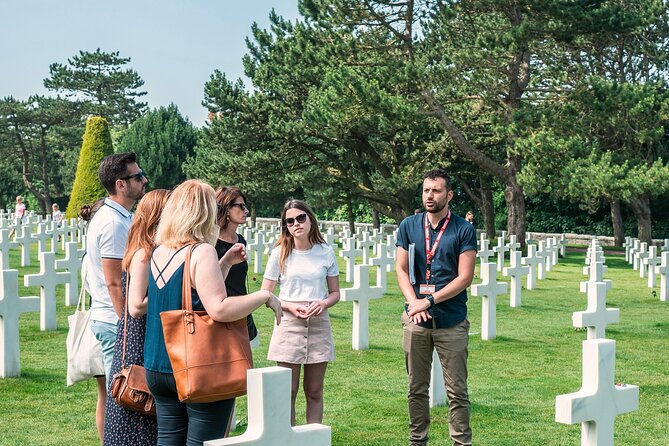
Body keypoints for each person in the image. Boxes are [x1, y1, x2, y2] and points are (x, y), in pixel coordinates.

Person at [129, 179, 281, 445]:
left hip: (159, 364)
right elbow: (219, 308)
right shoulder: (201, 250)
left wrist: (223, 264)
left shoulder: (159, 250)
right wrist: (264, 296)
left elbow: (191, 293)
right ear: (204, 212)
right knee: (202, 442)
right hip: (197, 364)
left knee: (169, 439)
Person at [396, 169, 477, 446]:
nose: (430, 196)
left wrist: (427, 301)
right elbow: (401, 268)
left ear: (449, 195)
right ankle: (417, 441)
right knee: (416, 389)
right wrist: (413, 303)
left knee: (457, 391)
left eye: (436, 190)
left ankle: (461, 442)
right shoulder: (408, 225)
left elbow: (464, 277)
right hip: (416, 320)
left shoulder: (463, 229)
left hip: (451, 321)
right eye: (426, 190)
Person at [84, 152, 148, 441]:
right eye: (138, 176)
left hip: (113, 319)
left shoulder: (121, 217)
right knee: (121, 395)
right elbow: (114, 283)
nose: (144, 179)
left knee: (121, 395)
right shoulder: (112, 223)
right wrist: (127, 325)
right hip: (114, 321)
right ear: (121, 185)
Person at [261, 199, 340, 426]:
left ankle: (313, 440)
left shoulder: (325, 252)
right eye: (290, 221)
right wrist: (289, 306)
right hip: (289, 324)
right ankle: (290, 438)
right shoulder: (279, 253)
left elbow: (335, 293)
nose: (296, 224)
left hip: (318, 323)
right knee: (289, 391)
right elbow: (266, 294)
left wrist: (323, 304)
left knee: (314, 391)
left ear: (310, 219)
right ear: (285, 225)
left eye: (300, 218)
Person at [103, 189, 171, 445]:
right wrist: (170, 294)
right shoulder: (144, 253)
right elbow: (136, 306)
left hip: (149, 333)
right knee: (138, 400)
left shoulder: (156, 250)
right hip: (137, 338)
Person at [215, 186, 258, 342]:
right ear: (226, 208)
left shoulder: (240, 240)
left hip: (242, 312)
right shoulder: (210, 243)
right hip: (221, 315)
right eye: (241, 206)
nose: (246, 211)